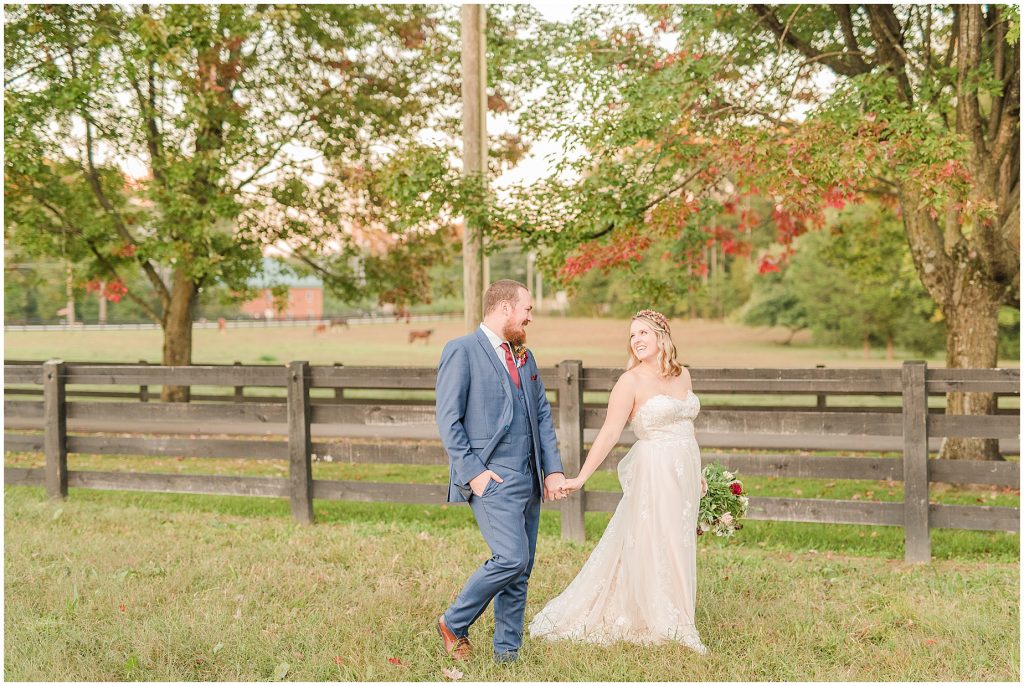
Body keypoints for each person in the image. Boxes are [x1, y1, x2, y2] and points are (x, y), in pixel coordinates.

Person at [530, 309, 708, 654]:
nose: (636, 340)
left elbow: (687, 424)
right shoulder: (630, 382)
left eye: (643, 332)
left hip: (684, 469)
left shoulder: (683, 375)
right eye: (631, 335)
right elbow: (610, 432)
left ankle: (680, 614)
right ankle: (667, 622)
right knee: (656, 540)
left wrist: (697, 472)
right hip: (655, 470)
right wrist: (581, 476)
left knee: (680, 541)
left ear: (662, 336)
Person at [435, 279, 568, 663]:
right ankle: (453, 621)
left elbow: (542, 416)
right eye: (527, 309)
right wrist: (474, 473)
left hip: (529, 475)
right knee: (510, 558)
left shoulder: (524, 355)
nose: (530, 316)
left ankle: (507, 654)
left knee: (521, 568)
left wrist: (552, 471)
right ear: (505, 308)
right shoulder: (461, 350)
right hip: (492, 476)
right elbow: (449, 419)